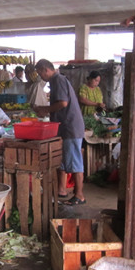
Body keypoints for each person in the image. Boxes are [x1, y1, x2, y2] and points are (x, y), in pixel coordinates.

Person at [33, 59, 86, 205]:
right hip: (65, 127)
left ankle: (79, 195)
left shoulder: (58, 80)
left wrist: (45, 110)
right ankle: (61, 190)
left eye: (39, 73)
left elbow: (63, 103)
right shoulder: (57, 81)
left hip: (70, 127)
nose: (40, 76)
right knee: (63, 160)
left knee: (75, 162)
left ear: (45, 70)